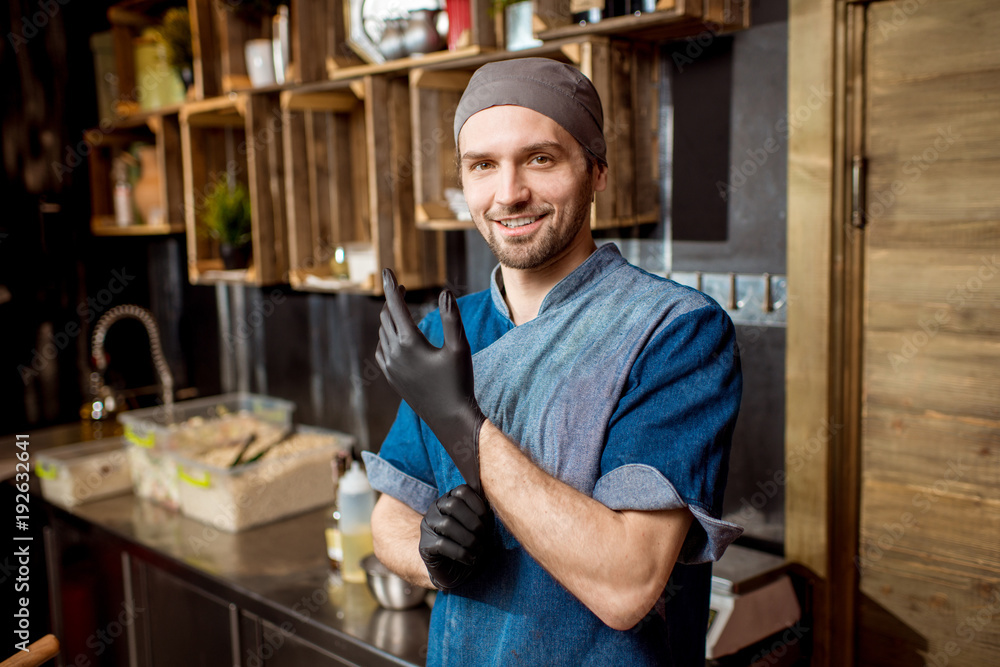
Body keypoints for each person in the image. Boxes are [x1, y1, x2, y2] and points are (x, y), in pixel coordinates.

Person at [363, 57, 743, 666]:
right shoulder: (445, 329)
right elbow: (389, 518)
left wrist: (465, 426)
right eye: (482, 166)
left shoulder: (675, 333)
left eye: (540, 159)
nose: (508, 193)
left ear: (596, 171)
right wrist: (434, 558)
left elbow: (627, 585)